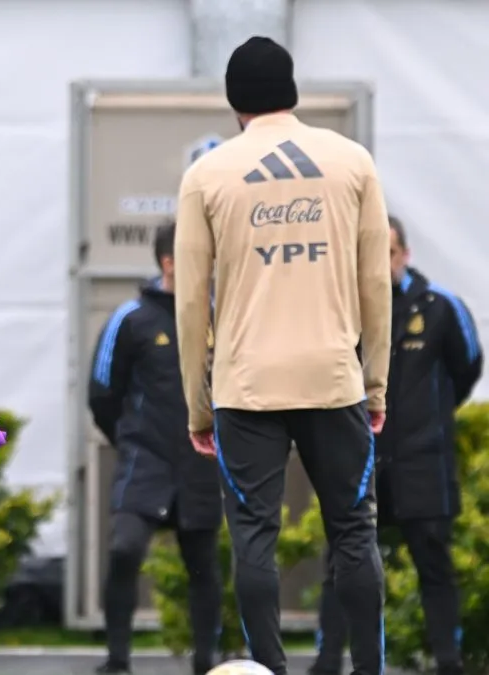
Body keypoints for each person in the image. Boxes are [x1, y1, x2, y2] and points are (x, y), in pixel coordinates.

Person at [173, 36, 392, 675]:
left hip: (246, 390)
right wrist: (374, 385)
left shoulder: (207, 174)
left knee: (255, 544)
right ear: (293, 92)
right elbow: (375, 283)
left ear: (234, 101)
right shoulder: (352, 161)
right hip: (334, 380)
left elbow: (191, 305)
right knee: (354, 535)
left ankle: (268, 671)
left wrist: (197, 405)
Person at [310, 216, 482, 675]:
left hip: (423, 461)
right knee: (343, 562)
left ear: (403, 254)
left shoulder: (441, 306)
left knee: (435, 565)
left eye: (387, 253)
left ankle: (449, 662)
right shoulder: (343, 310)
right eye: (370, 254)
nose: (379, 263)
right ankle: (328, 662)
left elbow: (467, 367)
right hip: (361, 459)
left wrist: (429, 418)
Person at [88, 222, 223, 675]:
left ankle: (207, 663)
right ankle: (117, 661)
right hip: (144, 460)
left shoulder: (220, 316)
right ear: (170, 263)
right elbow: (102, 393)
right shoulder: (130, 318)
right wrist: (131, 439)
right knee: (125, 549)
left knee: (204, 564)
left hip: (201, 463)